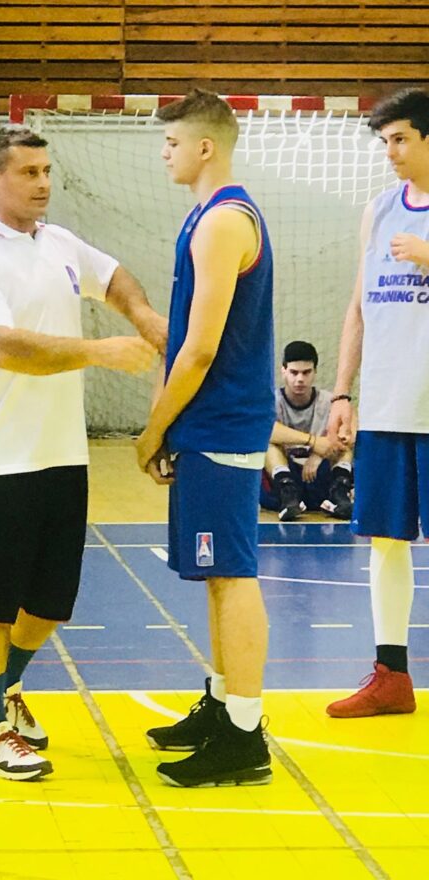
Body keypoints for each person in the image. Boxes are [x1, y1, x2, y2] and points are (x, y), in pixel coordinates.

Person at [0, 122, 164, 781]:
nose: (43, 184)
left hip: (62, 452)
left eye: (46, 172)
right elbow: (4, 347)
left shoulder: (60, 242)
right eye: (29, 173)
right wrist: (102, 351)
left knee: (49, 603)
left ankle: (6, 687)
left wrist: (143, 316)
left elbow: (113, 277)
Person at [136, 90, 274, 787]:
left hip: (222, 423)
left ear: (205, 147)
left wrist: (154, 427)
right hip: (208, 424)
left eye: (171, 142)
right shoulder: (205, 215)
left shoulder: (223, 223)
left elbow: (199, 349)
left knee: (233, 576)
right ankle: (224, 706)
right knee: (218, 577)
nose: (164, 153)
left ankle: (245, 737)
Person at [325, 88, 429, 718]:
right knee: (386, 541)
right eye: (385, 141)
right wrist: (342, 391)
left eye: (401, 139)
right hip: (390, 404)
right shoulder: (379, 211)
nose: (389, 152)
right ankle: (391, 676)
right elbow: (359, 306)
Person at [261, 340, 353, 522]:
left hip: (320, 474)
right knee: (267, 443)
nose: (300, 379)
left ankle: (339, 494)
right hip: (287, 474)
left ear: (315, 372)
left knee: (346, 444)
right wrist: (313, 441)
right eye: (294, 372)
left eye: (306, 372)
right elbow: (264, 429)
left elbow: (349, 432)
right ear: (283, 371)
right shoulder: (273, 401)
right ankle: (288, 495)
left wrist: (319, 454)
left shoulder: (329, 401)